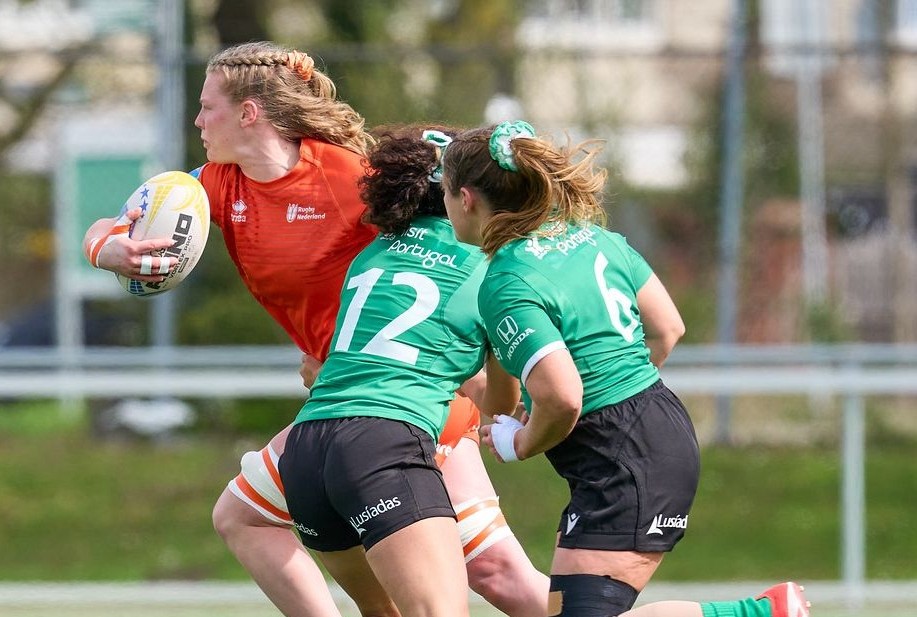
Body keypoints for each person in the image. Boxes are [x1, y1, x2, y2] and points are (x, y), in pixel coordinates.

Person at [82, 42, 547, 617]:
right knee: (503, 578)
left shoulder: (347, 176)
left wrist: (477, 362)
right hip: (359, 397)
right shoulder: (216, 185)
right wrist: (109, 249)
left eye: (208, 107)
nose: (197, 120)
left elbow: (447, 249)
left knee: (246, 518)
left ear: (250, 113)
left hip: (396, 393)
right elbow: (115, 220)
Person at [440, 120, 810, 617]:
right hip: (651, 423)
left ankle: (759, 613)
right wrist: (613, 389)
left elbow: (565, 397)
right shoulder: (595, 238)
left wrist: (523, 442)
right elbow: (668, 328)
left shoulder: (506, 280)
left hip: (624, 455)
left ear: (466, 198)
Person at [278, 124, 531, 617]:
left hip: (306, 450)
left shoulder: (373, 252)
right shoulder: (491, 266)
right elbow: (497, 408)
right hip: (382, 444)